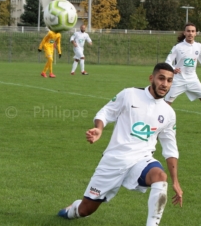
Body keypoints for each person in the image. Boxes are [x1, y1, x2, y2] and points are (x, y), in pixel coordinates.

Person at [58, 63, 183, 226]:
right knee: (85, 210)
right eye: (161, 78)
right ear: (151, 78)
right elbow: (106, 112)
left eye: (169, 80)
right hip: (114, 160)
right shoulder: (130, 94)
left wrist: (175, 181)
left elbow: (170, 148)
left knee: (160, 176)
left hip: (141, 159)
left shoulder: (168, 113)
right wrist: (99, 129)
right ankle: (71, 210)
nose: (165, 84)